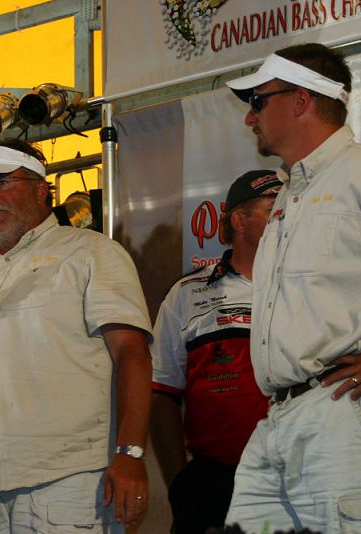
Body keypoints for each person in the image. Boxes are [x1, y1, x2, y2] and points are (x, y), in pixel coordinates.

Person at [221, 43, 361, 532]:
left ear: (301, 100)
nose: (250, 118)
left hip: (352, 410)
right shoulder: (290, 195)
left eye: (258, 101)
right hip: (281, 416)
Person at [0, 139, 154, 532]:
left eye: (2, 183)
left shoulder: (90, 252)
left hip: (65, 481)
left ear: (41, 190)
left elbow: (132, 354)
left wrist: (130, 453)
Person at [150, 170, 281, 533]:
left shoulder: (310, 286)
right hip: (215, 481)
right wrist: (180, 483)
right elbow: (161, 391)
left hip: (297, 476)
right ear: (239, 220)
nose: (286, 216)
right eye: (274, 208)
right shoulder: (188, 293)